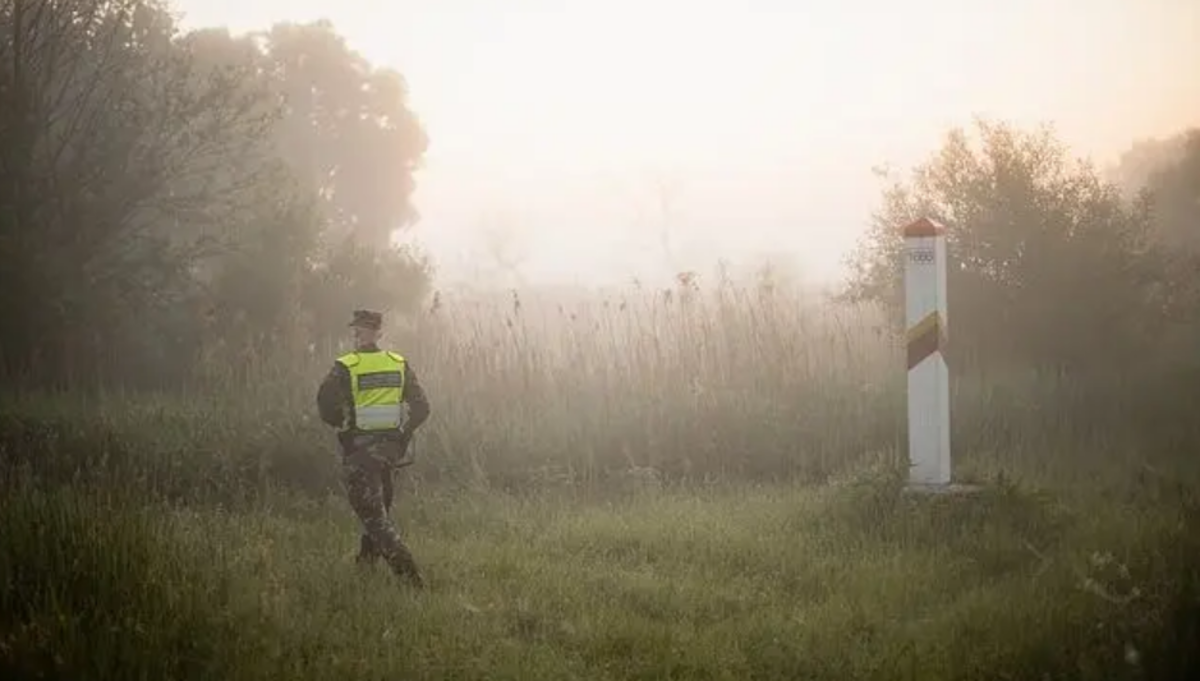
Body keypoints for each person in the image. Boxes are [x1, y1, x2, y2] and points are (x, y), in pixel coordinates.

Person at [316, 309, 431, 588]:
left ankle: (411, 579)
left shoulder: (346, 366)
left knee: (372, 514)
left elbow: (324, 402)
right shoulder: (397, 363)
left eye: (359, 329)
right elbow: (422, 408)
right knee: (379, 507)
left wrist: (339, 425)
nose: (357, 334)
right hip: (390, 451)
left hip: (361, 451)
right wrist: (402, 437)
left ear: (368, 333)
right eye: (357, 329)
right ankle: (365, 565)